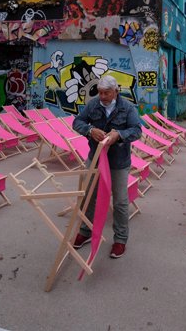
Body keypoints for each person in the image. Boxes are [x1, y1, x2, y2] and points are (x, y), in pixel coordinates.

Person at [71, 74, 141, 259]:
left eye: (106, 93)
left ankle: (120, 239)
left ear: (116, 92)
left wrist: (119, 134)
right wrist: (89, 130)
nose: (102, 97)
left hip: (118, 162)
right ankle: (86, 231)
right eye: (100, 92)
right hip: (95, 158)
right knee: (89, 196)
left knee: (119, 201)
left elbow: (137, 130)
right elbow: (77, 122)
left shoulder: (127, 108)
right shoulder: (93, 104)